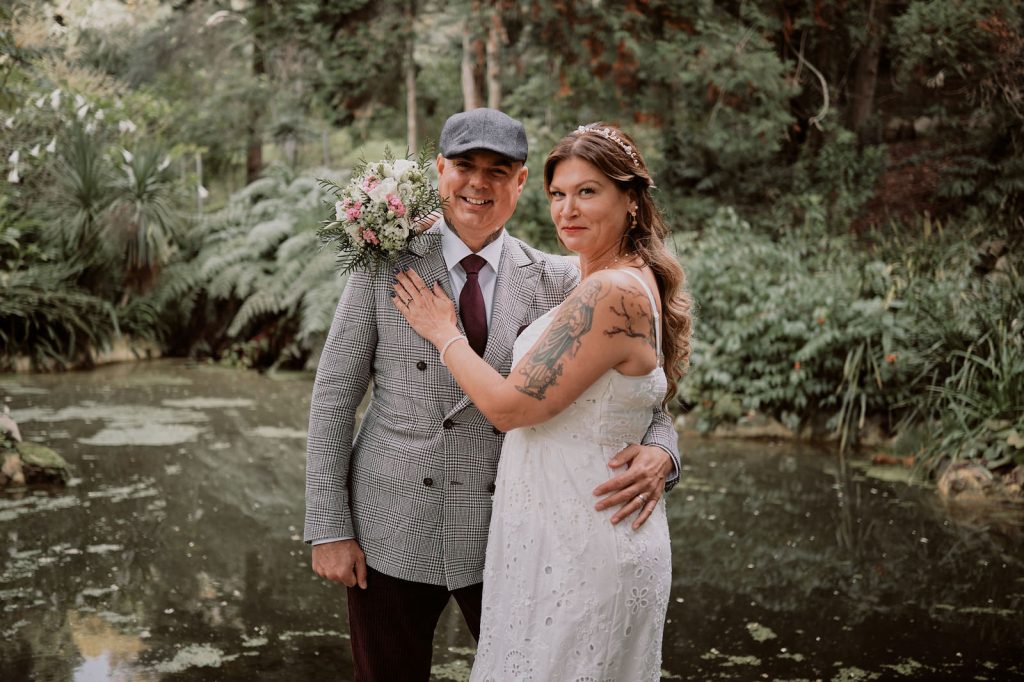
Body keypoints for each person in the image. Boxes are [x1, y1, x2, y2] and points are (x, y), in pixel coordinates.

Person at [304, 108, 681, 682]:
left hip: (513, 539)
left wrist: (662, 452)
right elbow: (334, 398)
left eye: (498, 170)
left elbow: (636, 385)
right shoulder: (385, 266)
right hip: (391, 527)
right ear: (439, 172)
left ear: (521, 182)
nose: (479, 182)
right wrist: (330, 527)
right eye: (464, 166)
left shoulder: (564, 277)